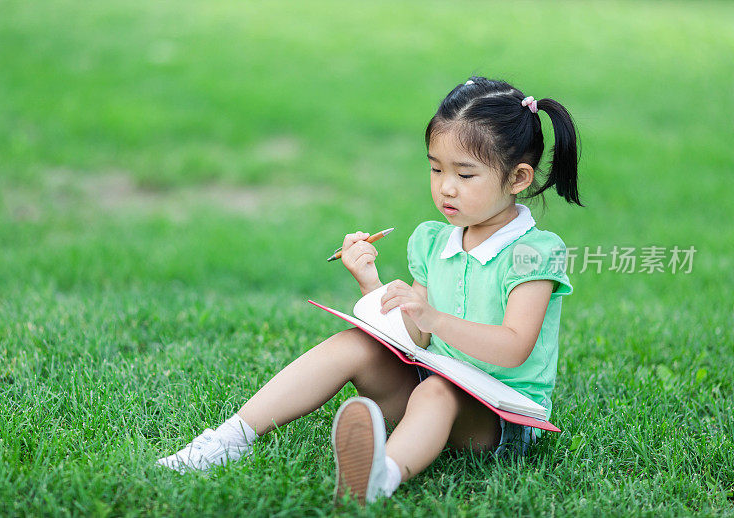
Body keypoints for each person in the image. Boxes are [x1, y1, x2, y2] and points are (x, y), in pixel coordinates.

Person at [156, 75, 582, 505]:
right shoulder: (435, 240)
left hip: (498, 416)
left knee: (438, 391)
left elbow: (513, 348)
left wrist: (435, 318)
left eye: (465, 174)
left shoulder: (534, 252)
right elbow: (417, 337)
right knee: (353, 344)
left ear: (518, 178)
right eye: (436, 169)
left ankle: (379, 477)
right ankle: (229, 439)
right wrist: (373, 285)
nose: (445, 187)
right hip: (429, 385)